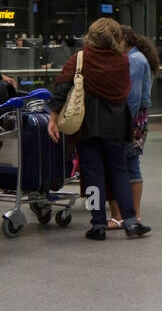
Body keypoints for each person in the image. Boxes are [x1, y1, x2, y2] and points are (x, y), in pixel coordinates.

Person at [48, 17, 149, 240]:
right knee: (119, 172)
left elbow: (62, 87)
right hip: (116, 125)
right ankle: (130, 221)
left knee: (93, 175)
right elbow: (124, 91)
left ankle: (98, 225)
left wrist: (53, 118)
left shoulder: (80, 58)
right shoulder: (123, 62)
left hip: (87, 125)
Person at [106, 26, 157, 229]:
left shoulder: (134, 61)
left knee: (129, 163)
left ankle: (132, 214)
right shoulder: (138, 58)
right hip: (135, 117)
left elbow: (132, 95)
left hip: (131, 118)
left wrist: (124, 120)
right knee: (131, 163)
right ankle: (133, 214)